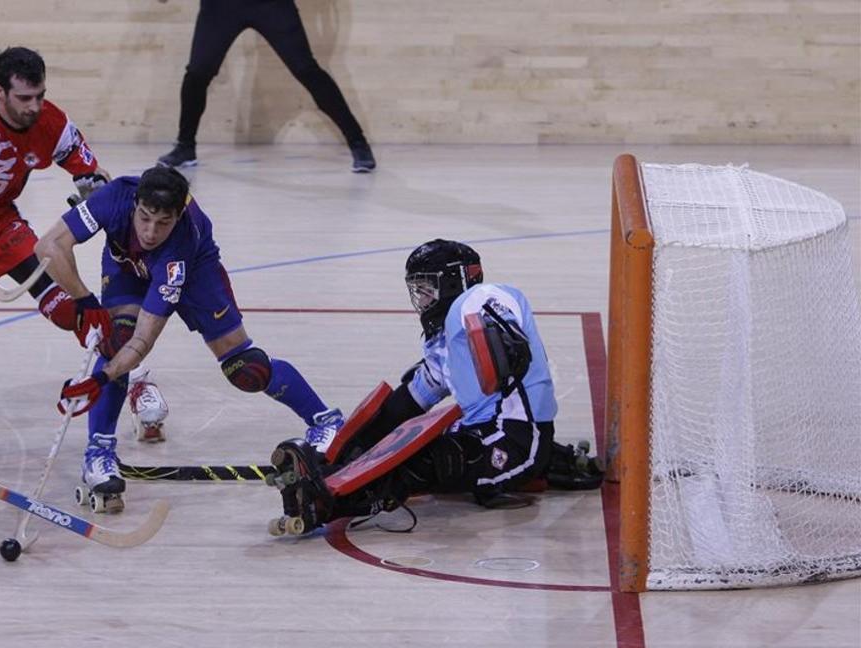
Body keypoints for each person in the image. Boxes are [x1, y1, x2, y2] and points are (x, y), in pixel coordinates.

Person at [0, 46, 167, 472]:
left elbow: (96, 178)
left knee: (67, 306)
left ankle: (137, 380)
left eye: (40, 95)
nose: (34, 106)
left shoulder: (52, 124)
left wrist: (95, 191)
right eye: (24, 98)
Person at [35, 165, 345, 512]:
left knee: (245, 368)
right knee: (114, 341)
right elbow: (49, 245)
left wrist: (100, 377)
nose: (150, 231)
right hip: (127, 267)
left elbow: (143, 341)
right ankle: (99, 452)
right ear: (135, 203)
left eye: (162, 222)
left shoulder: (178, 251)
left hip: (197, 270)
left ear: (179, 215)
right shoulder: (114, 197)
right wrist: (85, 301)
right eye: (145, 218)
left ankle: (327, 421)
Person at [267, 239, 603, 534]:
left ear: (454, 281)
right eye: (418, 289)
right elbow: (405, 406)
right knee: (411, 438)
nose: (422, 299)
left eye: (427, 288)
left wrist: (503, 340)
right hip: (489, 433)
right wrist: (346, 453)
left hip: (515, 439)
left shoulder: (478, 300)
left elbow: (499, 318)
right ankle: (332, 477)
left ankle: (328, 503)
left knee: (428, 461)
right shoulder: (446, 345)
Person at [156, 0, 376, 173]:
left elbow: (333, 15)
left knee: (306, 69)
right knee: (197, 72)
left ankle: (358, 142)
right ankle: (185, 147)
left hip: (271, 5)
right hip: (221, 6)